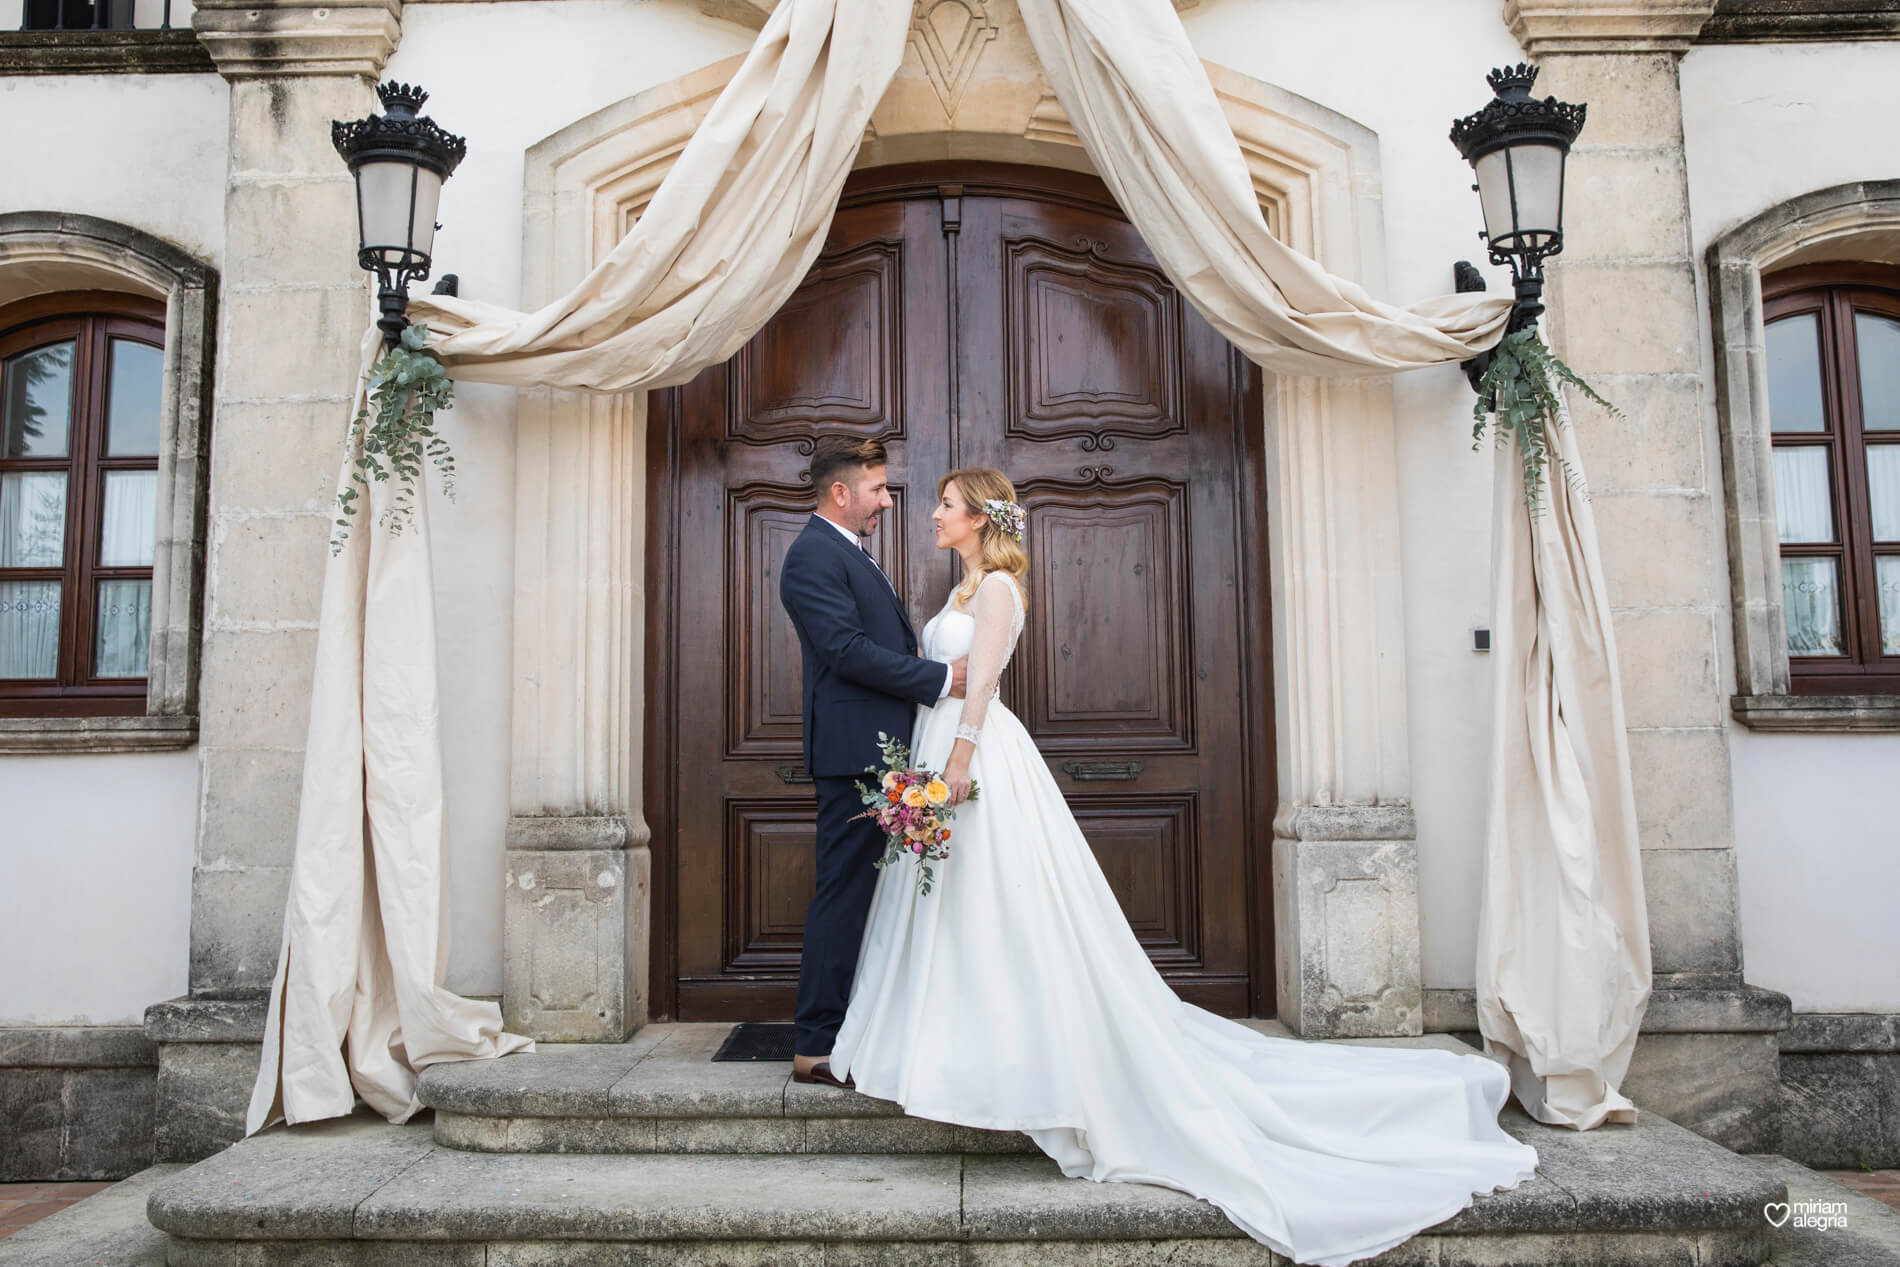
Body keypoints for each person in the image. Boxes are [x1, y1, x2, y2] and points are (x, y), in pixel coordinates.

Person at [828, 466, 1541, 1267]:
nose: (932, 513)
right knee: (950, 911)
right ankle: (950, 1049)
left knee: (1004, 912)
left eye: (947, 505)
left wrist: (956, 762)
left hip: (974, 754)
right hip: (936, 746)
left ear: (978, 518)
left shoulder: (995, 590)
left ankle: (1019, 1059)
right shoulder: (961, 590)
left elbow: (983, 683)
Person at [776, 435, 967, 1088]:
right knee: (846, 894)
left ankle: (880, 1023)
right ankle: (817, 1044)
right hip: (857, 759)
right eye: (878, 488)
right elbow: (846, 649)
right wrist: (940, 679)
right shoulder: (812, 557)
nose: (887, 500)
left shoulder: (847, 551)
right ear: (840, 491)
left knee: (886, 896)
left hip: (887, 759)